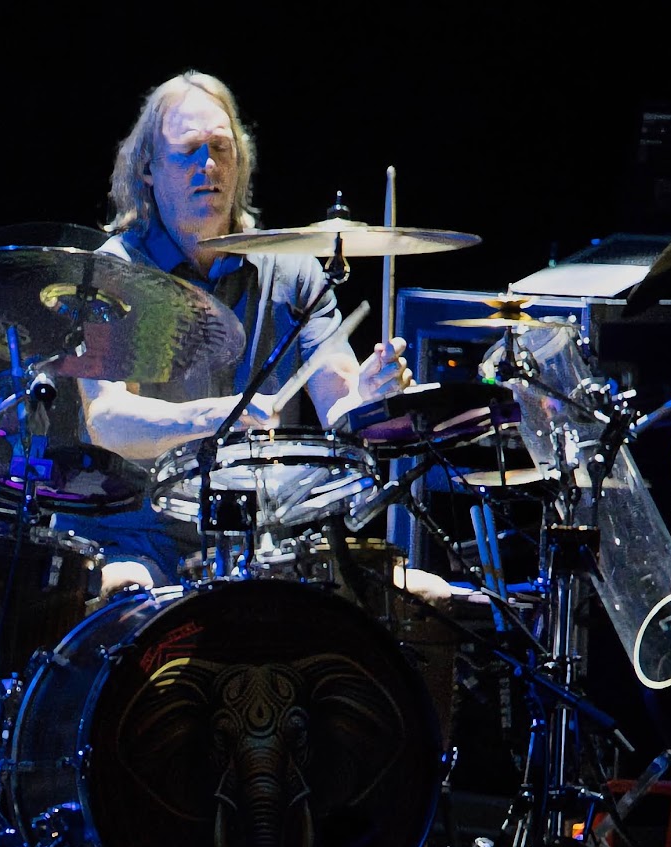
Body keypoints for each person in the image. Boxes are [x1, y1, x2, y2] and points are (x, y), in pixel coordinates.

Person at [70, 70, 415, 589]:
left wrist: (369, 396)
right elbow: (109, 419)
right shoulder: (112, 273)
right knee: (121, 590)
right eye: (187, 151)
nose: (207, 166)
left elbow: (339, 404)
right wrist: (217, 417)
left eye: (220, 148)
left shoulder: (293, 270)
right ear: (147, 167)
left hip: (263, 539)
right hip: (138, 535)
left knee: (411, 599)